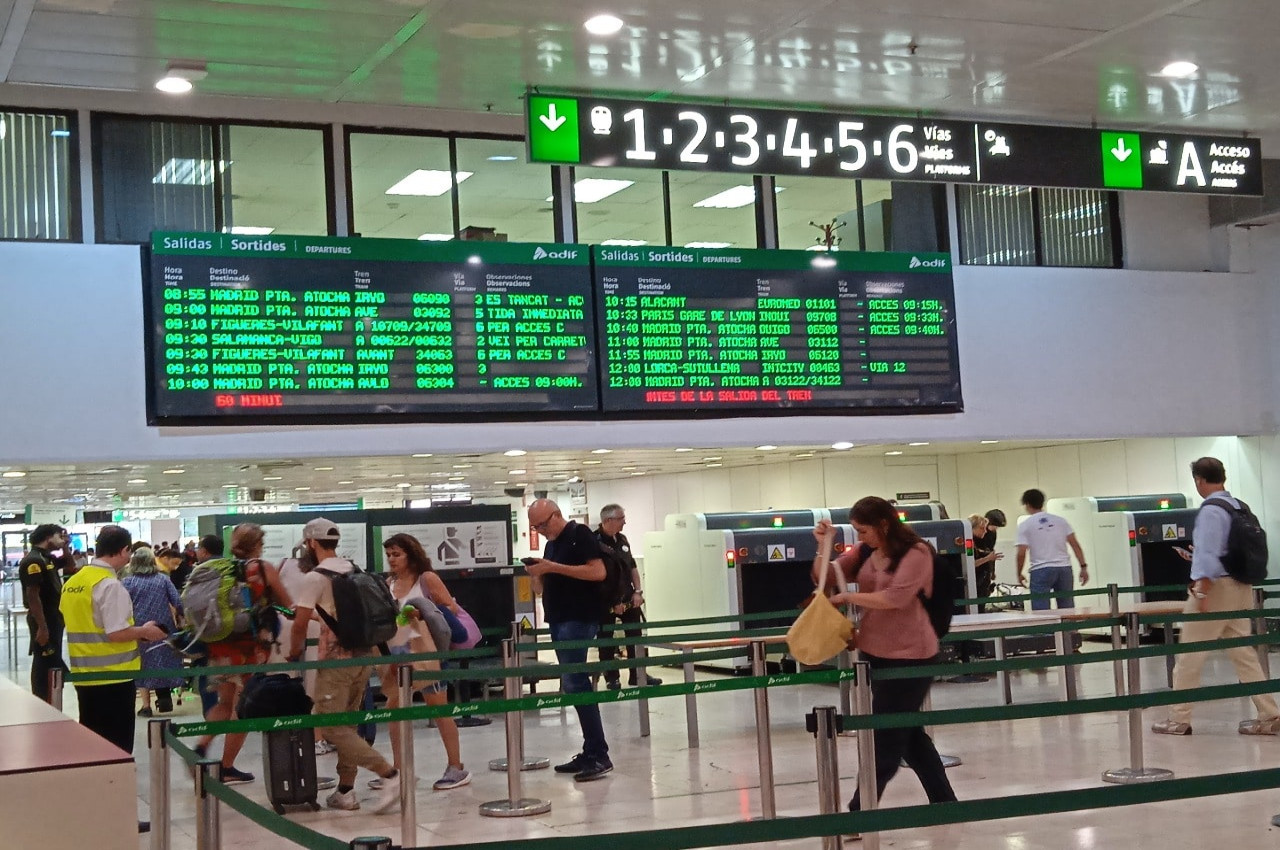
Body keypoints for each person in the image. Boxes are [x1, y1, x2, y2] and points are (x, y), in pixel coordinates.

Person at [813, 497, 957, 823]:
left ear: (883, 524)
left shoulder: (917, 553)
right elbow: (825, 577)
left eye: (862, 531)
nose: (859, 537)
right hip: (875, 653)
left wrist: (848, 596)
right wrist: (825, 544)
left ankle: (858, 815)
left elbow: (897, 597)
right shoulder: (866, 552)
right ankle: (947, 805)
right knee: (908, 733)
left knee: (886, 739)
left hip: (913, 656)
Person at [1152, 457, 1280, 736]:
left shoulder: (1210, 510)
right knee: (1243, 653)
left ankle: (1179, 718)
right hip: (1241, 586)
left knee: (1189, 654)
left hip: (1213, 589)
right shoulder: (1238, 506)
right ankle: (1270, 714)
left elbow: (1209, 557)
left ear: (1199, 480)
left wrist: (1201, 590)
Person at [286, 517, 401, 813]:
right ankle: (346, 791)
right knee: (348, 724)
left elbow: (299, 625)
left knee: (329, 724)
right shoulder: (353, 569)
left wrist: (294, 651)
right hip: (363, 656)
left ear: (312, 543)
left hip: (336, 662)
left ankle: (389, 774)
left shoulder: (315, 577)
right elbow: (336, 617)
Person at [59, 525, 167, 835]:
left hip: (84, 676)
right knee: (118, 752)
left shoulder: (75, 582)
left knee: (93, 750)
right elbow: (116, 632)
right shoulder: (109, 585)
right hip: (114, 679)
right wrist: (145, 631)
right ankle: (119, 815)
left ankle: (94, 810)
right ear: (123, 552)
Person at [191, 525, 292, 784]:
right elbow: (287, 603)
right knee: (245, 707)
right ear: (257, 543)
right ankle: (226, 766)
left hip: (221, 646)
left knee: (225, 703)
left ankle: (202, 746)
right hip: (250, 649)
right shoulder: (262, 568)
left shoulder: (222, 569)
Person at [524, 498, 613, 781]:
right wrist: (536, 574)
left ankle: (599, 754)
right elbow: (541, 589)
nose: (540, 530)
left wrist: (552, 567)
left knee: (576, 681)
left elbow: (598, 572)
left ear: (556, 515)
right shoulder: (551, 546)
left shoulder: (580, 534)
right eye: (534, 527)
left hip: (579, 618)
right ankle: (591, 750)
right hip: (559, 619)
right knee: (572, 684)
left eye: (542, 524)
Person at [376, 532, 470, 791]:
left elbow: (450, 609)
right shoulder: (389, 583)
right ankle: (399, 769)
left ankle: (456, 766)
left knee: (438, 708)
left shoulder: (427, 579)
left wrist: (423, 611)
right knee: (393, 711)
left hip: (427, 653)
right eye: (389, 555)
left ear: (411, 554)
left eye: (397, 554)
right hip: (399, 654)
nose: (392, 560)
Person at [594, 504, 661, 689]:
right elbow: (597, 576)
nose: (625, 522)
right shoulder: (595, 542)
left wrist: (638, 592)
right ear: (608, 520)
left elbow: (632, 567)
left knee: (635, 637)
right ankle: (611, 677)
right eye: (621, 518)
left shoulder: (622, 539)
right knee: (606, 641)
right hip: (605, 599)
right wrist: (613, 602)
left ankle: (637, 674)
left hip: (628, 597)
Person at [122, 546, 184, 716]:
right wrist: (183, 619)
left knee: (143, 664)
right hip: (163, 627)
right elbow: (177, 601)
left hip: (139, 629)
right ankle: (165, 697)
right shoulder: (162, 579)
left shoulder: (128, 582)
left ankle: (146, 706)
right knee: (164, 659)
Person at [18, 523, 69, 703]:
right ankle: (41, 698)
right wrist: (42, 627)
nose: (61, 539)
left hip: (54, 617)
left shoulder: (47, 558)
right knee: (44, 659)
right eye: (58, 536)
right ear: (48, 537)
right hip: (43, 618)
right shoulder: (33, 560)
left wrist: (65, 546)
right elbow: (33, 595)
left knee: (52, 659)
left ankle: (52, 693)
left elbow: (70, 565)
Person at [1015, 489, 1088, 610]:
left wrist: (1019, 573)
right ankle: (1070, 629)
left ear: (1027, 504)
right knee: (1067, 609)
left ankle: (1046, 629)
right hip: (1064, 568)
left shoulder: (1025, 525)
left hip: (1040, 569)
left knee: (1042, 612)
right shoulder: (1061, 521)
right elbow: (1075, 545)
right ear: (1042, 502)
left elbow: (1021, 553)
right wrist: (1083, 567)